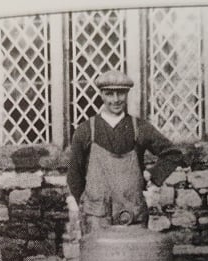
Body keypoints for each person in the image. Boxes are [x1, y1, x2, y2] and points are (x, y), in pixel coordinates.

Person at [67, 70, 184, 234]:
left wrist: (152, 174)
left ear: (127, 94)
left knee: (133, 259)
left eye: (121, 93)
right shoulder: (85, 131)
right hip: (97, 218)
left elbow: (173, 154)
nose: (115, 99)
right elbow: (73, 175)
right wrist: (90, 204)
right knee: (98, 259)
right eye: (109, 94)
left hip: (132, 216)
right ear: (101, 95)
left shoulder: (140, 128)